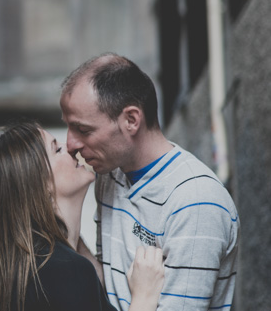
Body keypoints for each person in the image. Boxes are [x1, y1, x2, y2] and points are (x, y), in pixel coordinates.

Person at [60, 53, 238, 311]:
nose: (70, 144)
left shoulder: (196, 202)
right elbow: (108, 290)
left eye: (84, 130)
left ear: (131, 120)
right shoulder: (110, 175)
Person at [0, 120, 164, 311]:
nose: (71, 147)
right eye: (57, 149)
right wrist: (144, 296)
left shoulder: (34, 267)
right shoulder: (64, 269)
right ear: (39, 184)